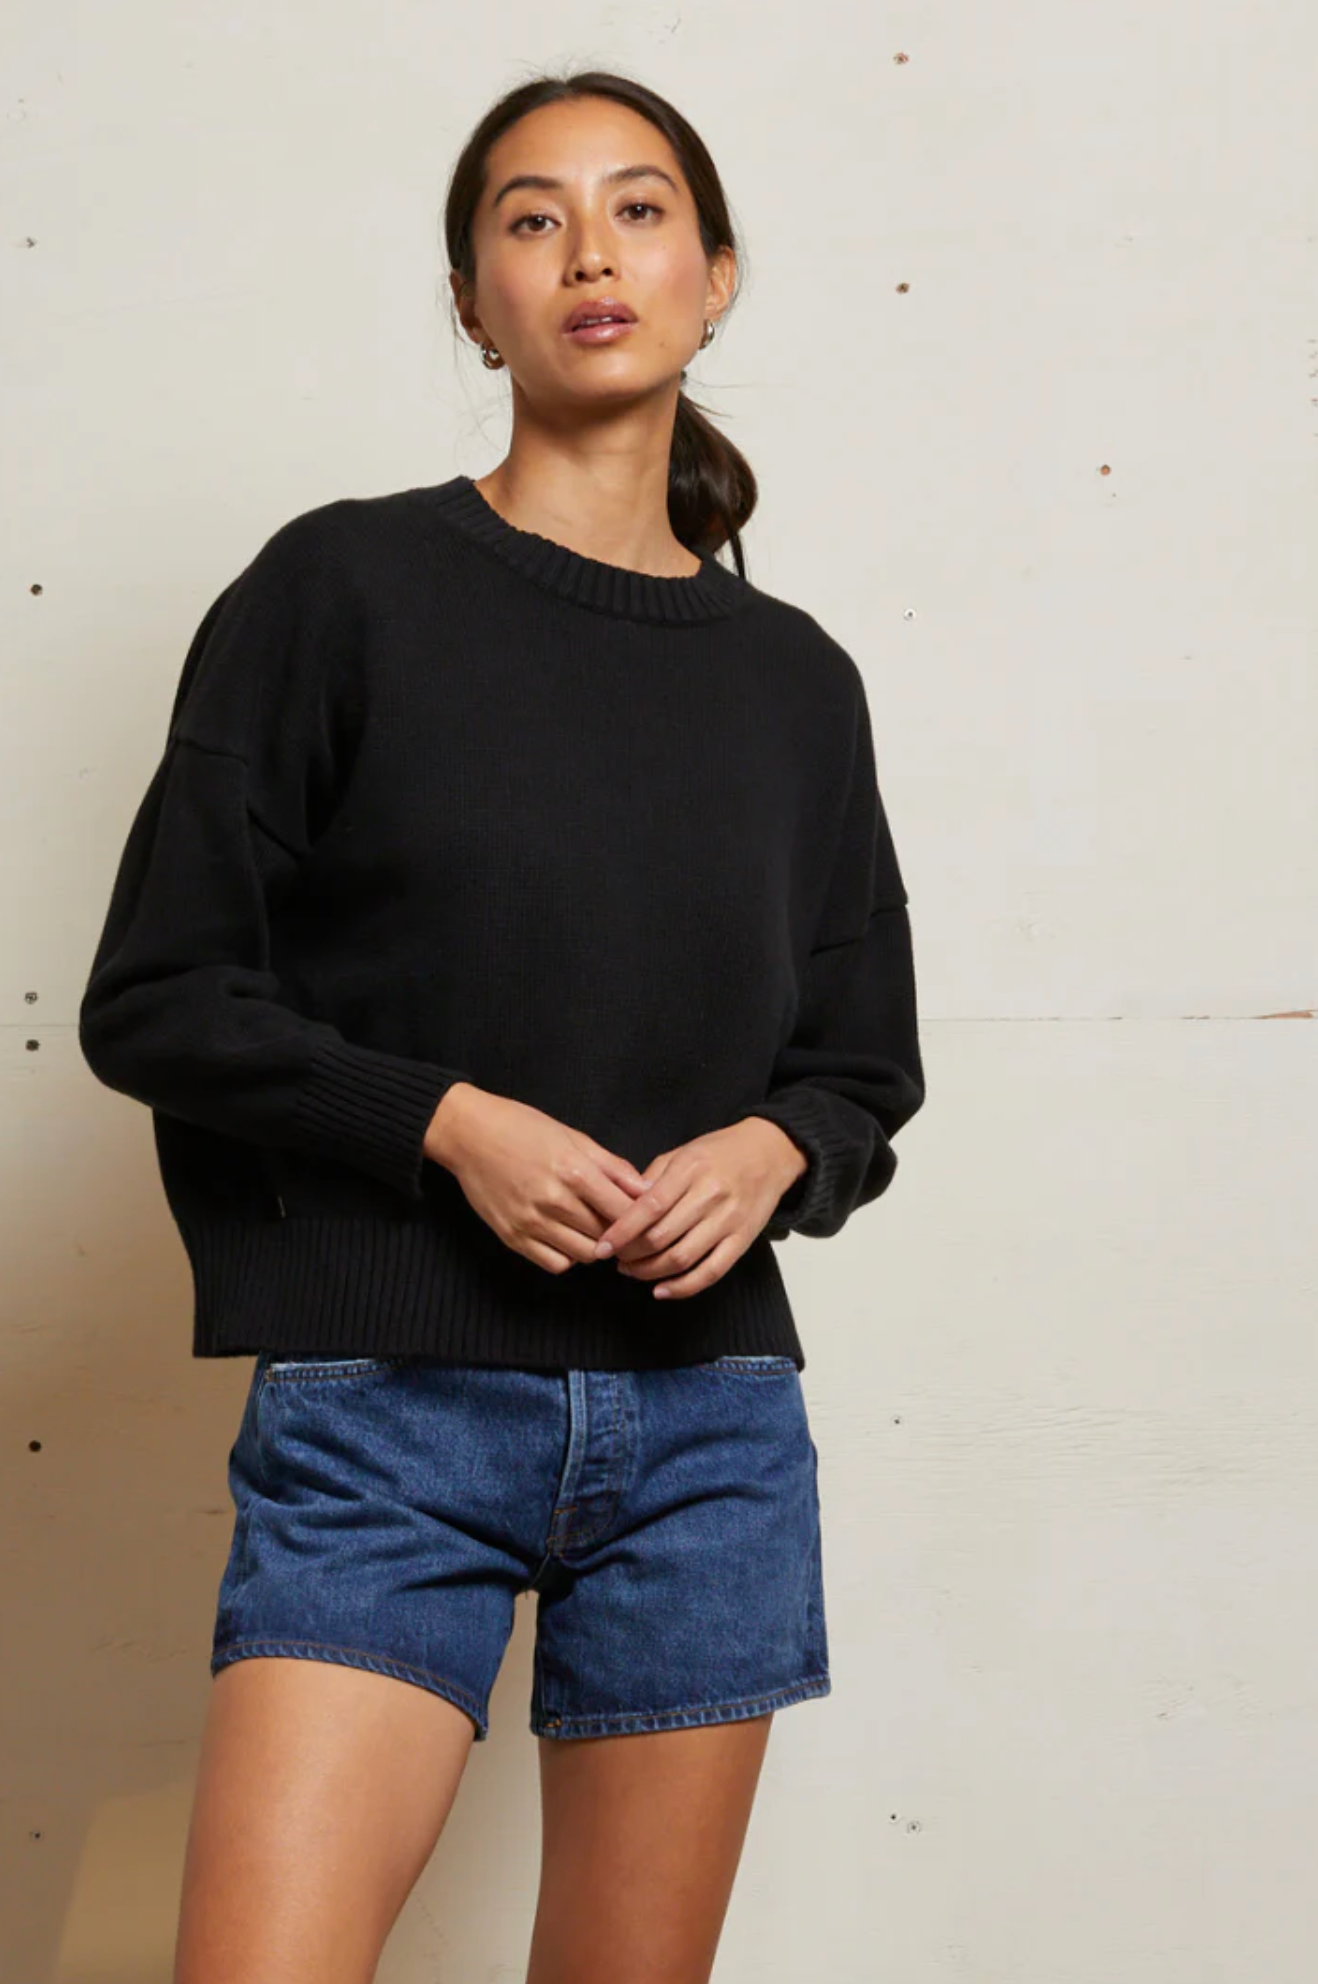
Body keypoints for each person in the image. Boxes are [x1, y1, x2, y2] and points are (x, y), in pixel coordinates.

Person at [78, 69, 926, 1984]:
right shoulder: (343, 587)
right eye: (531, 219)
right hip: (387, 1408)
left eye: (638, 209)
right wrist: (443, 1120)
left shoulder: (796, 683)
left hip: (708, 1425)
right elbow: (158, 996)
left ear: (715, 275)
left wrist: (774, 1148)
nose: (588, 253)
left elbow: (863, 1066)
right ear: (473, 301)